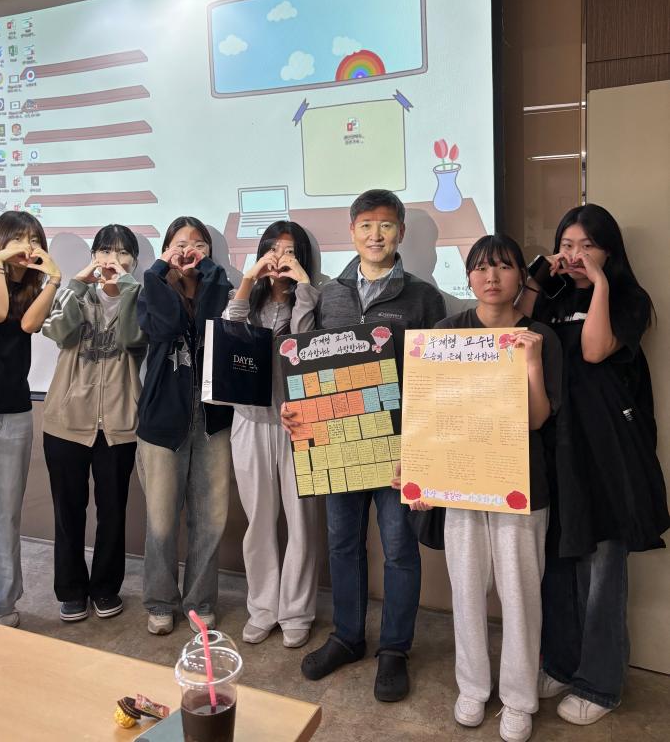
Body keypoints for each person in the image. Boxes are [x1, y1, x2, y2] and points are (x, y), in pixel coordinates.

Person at [395, 234, 562, 742]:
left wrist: (530, 364)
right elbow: (427, 410)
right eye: (482, 267)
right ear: (468, 276)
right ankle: (472, 686)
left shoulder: (539, 337)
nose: (492, 277)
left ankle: (519, 698)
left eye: (504, 267)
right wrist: (418, 471)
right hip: (460, 484)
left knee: (520, 595)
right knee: (466, 591)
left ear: (520, 277)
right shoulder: (445, 333)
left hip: (520, 485)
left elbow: (537, 420)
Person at [282, 189, 446, 702]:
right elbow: (306, 364)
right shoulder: (329, 294)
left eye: (387, 226)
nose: (377, 235)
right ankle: (348, 637)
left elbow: (435, 376)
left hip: (398, 447)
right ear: (352, 231)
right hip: (338, 444)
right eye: (367, 225)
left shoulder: (423, 297)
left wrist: (422, 444)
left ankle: (395, 649)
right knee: (343, 544)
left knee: (399, 550)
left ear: (401, 233)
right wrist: (298, 409)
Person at [521, 204, 669, 725]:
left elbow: (593, 349)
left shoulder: (630, 299)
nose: (576, 254)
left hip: (606, 447)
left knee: (602, 567)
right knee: (557, 560)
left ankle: (601, 684)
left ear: (609, 250)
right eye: (568, 244)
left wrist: (600, 283)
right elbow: (519, 332)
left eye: (588, 245)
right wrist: (539, 278)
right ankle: (561, 664)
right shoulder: (553, 295)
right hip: (555, 444)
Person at [41, 224, 146, 622]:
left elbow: (135, 340)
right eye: (105, 251)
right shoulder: (76, 294)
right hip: (66, 421)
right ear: (93, 257)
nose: (112, 260)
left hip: (119, 423)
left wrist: (128, 291)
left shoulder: (140, 298)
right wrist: (76, 284)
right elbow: (58, 331)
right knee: (68, 511)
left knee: (112, 512)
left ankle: (104, 588)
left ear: (134, 261)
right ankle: (70, 590)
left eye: (122, 253)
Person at [223, 221, 319, 649]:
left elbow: (305, 349)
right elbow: (229, 332)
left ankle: (296, 611)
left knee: (301, 523)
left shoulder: (312, 299)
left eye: (290, 251)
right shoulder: (245, 299)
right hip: (249, 421)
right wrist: (248, 279)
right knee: (258, 522)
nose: (280, 259)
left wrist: (304, 289)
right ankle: (262, 607)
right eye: (273, 250)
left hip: (299, 423)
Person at [136, 217, 233, 635]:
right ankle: (160, 601)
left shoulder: (220, 289)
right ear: (166, 249)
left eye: (198, 244)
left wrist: (207, 273)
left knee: (210, 519)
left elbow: (216, 322)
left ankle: (200, 601)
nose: (188, 249)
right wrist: (160, 270)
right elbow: (167, 326)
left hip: (213, 419)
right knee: (161, 521)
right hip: (163, 420)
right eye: (179, 243)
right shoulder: (152, 289)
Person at [0, 211, 62, 627]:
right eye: (20, 239)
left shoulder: (32, 288)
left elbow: (28, 324)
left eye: (34, 240)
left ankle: (2, 606)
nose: (27, 247)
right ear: (2, 240)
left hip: (14, 413)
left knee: (5, 518)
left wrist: (54, 280)